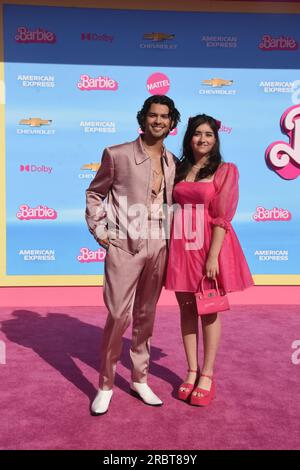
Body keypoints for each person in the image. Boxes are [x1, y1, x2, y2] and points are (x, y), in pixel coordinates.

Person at [85, 95, 180, 415]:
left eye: (165, 116)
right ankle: (105, 384)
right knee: (117, 315)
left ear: (172, 122)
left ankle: (140, 378)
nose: (159, 121)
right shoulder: (118, 154)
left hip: (160, 244)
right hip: (124, 245)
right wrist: (100, 231)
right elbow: (95, 193)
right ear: (144, 119)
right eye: (153, 115)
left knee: (146, 316)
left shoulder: (172, 161)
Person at [165, 114, 253, 406]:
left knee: (209, 308)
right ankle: (191, 371)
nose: (203, 139)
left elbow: (222, 216)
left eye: (209, 135)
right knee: (186, 308)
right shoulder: (178, 168)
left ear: (216, 139)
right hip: (180, 244)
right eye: (197, 134)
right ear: (189, 137)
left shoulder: (225, 171)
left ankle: (207, 374)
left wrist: (213, 256)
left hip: (207, 244)